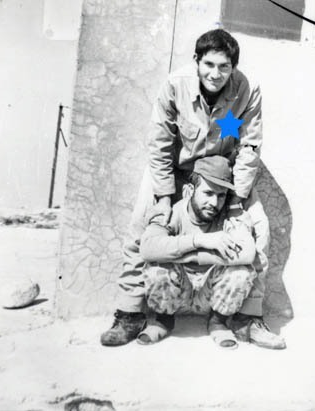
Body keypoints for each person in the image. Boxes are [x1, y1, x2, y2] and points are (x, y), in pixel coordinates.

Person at [101, 29, 277, 347]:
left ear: (234, 67)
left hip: (221, 176)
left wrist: (236, 199)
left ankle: (247, 318)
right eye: (209, 64)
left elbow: (249, 147)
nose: (215, 74)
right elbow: (159, 144)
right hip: (177, 170)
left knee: (259, 226)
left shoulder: (247, 90)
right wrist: (164, 196)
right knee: (141, 222)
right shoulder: (175, 85)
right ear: (197, 60)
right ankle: (130, 312)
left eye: (224, 67)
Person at [137, 156, 285, 349]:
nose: (214, 202)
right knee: (157, 266)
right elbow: (147, 248)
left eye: (221, 195)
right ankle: (162, 321)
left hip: (212, 296)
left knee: (242, 271)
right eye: (207, 193)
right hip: (177, 294)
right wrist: (201, 241)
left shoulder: (230, 216)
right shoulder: (172, 212)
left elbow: (248, 253)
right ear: (189, 190)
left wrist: (188, 255)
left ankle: (218, 322)